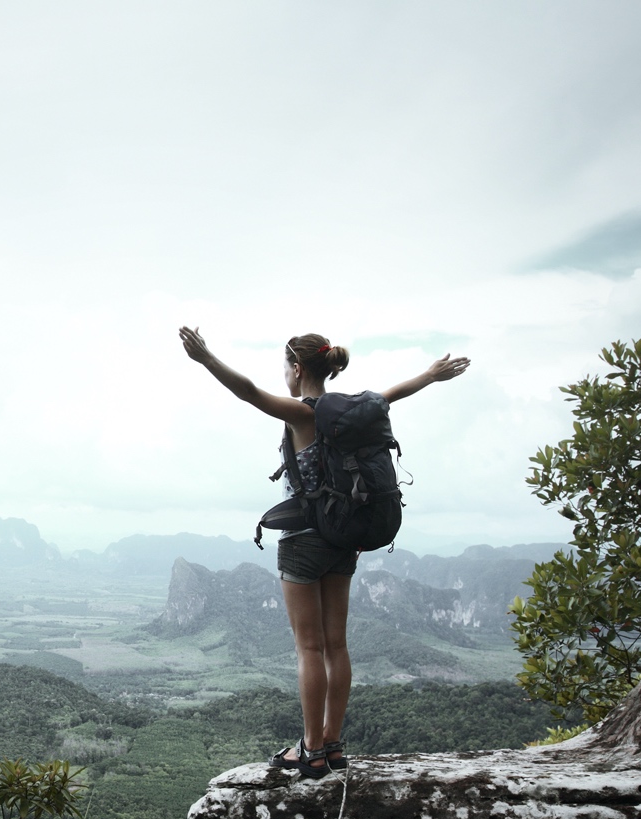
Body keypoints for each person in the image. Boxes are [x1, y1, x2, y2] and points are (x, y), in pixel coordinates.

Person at [177, 326, 470, 778]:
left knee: (308, 648)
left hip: (303, 543)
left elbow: (249, 392)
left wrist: (206, 358)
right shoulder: (352, 412)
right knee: (337, 644)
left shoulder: (302, 413)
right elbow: (394, 392)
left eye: (286, 369)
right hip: (344, 539)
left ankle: (311, 748)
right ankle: (332, 741)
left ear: (297, 369)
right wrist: (431, 374)